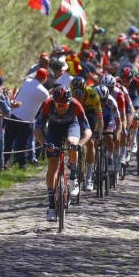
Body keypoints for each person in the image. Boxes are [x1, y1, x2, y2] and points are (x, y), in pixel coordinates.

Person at [34, 86, 91, 221]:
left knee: (71, 143)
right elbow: (37, 130)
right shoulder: (47, 104)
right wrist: (45, 145)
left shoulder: (76, 105)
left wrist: (80, 145)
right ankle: (51, 207)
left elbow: (88, 132)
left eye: (64, 105)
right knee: (52, 165)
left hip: (72, 126)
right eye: (58, 105)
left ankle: (74, 177)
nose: (60, 108)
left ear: (69, 102)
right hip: (54, 129)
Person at [4, 68, 49, 169]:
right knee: (23, 143)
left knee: (8, 141)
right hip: (26, 119)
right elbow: (47, 101)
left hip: (13, 114)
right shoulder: (45, 92)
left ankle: (3, 162)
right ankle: (22, 164)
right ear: (45, 78)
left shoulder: (27, 81)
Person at [69, 76, 103, 192]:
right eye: (75, 92)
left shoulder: (93, 94)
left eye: (81, 92)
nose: (78, 95)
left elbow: (99, 118)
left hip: (90, 114)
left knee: (91, 142)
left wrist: (98, 132)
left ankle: (89, 178)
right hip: (76, 114)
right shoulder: (69, 96)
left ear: (85, 90)